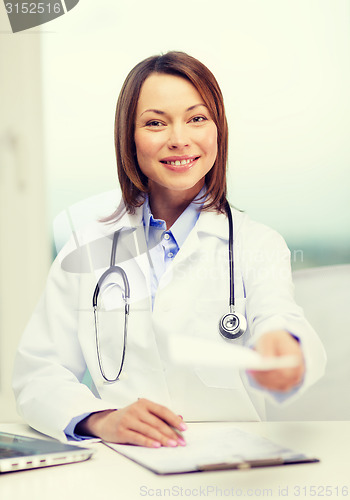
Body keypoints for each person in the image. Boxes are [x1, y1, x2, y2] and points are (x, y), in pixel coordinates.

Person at [13, 51, 326, 448]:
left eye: (197, 118)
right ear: (130, 137)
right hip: (120, 464)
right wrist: (102, 419)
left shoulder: (257, 244)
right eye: (155, 123)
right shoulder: (87, 247)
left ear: (218, 130)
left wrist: (285, 348)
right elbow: (39, 373)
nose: (179, 139)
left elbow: (279, 316)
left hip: (232, 465)